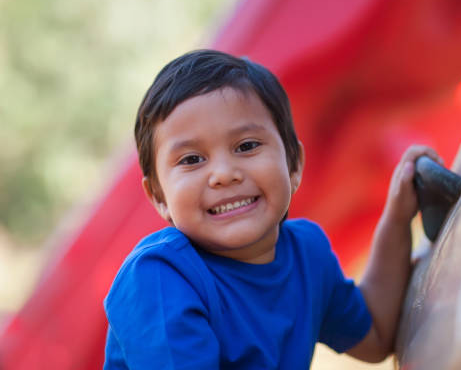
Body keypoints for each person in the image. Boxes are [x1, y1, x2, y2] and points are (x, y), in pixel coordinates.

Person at [103, 49, 442, 369]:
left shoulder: (306, 253)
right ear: (159, 196)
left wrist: (398, 216)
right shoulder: (158, 278)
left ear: (294, 165)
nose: (223, 174)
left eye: (246, 146)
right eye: (191, 159)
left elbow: (376, 336)